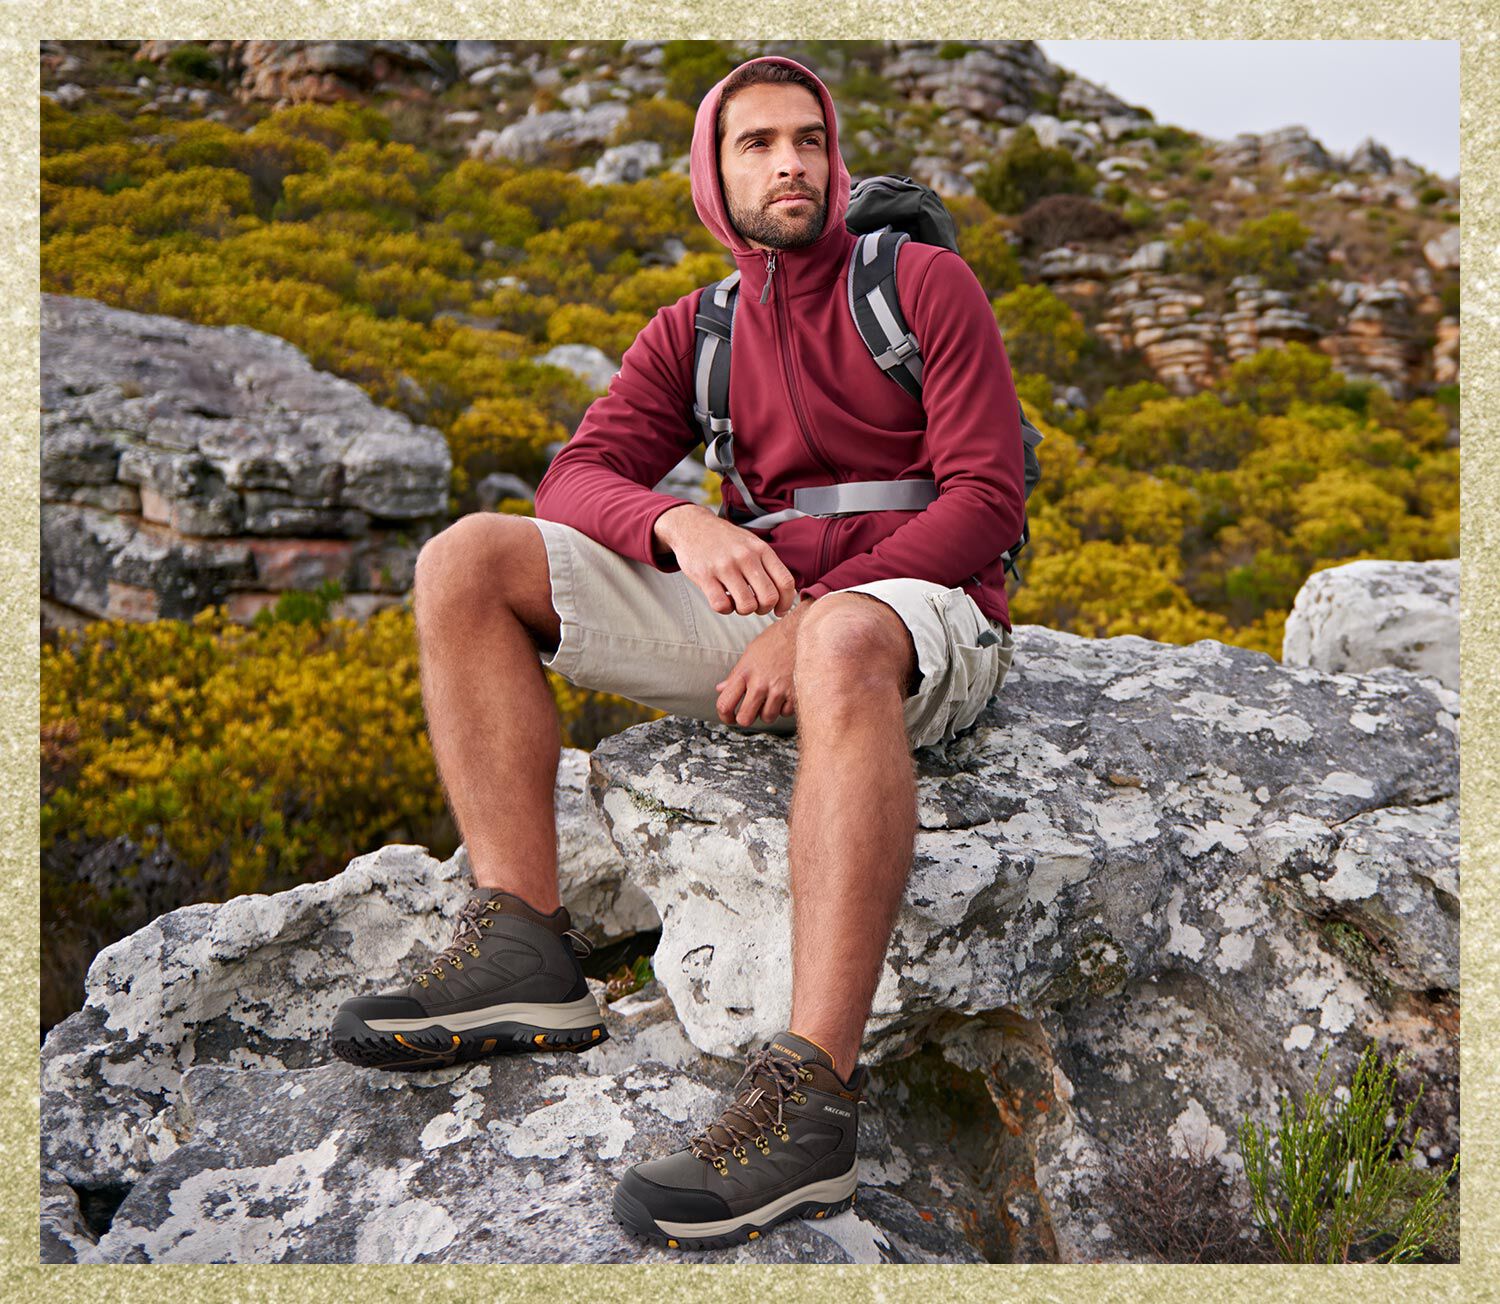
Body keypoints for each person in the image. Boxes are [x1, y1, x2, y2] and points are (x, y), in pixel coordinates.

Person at [330, 54, 1026, 1251]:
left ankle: (810, 1098)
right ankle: (520, 945)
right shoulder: (694, 331)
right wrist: (678, 519)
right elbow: (573, 473)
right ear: (713, 172)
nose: (790, 162)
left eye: (808, 138)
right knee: (466, 561)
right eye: (756, 143)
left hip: (915, 607)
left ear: (836, 155)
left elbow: (987, 495)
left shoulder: (922, 284)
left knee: (847, 637)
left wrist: (819, 611)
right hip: (759, 611)